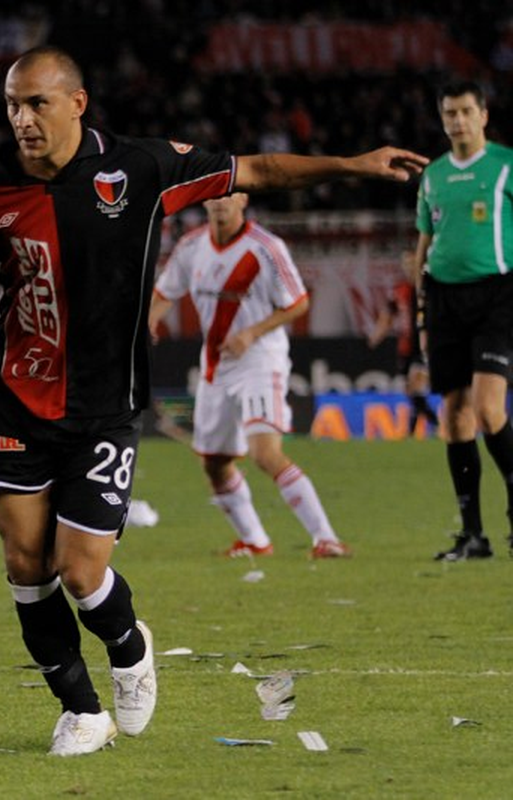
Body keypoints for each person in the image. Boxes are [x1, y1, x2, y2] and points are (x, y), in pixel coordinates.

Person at [0, 46, 424, 756]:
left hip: (103, 407)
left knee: (81, 573)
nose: (22, 119)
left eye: (37, 103)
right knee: (24, 566)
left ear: (77, 102)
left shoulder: (141, 169)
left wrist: (355, 163)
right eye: (12, 105)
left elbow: (261, 170)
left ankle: (128, 649)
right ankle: (81, 712)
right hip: (15, 402)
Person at [149, 193, 351, 559]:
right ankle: (256, 542)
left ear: (243, 199)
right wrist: (147, 324)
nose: (220, 202)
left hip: (260, 360)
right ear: (204, 203)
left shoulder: (266, 248)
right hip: (215, 366)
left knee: (264, 453)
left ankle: (326, 538)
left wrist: (251, 333)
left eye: (229, 194)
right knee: (213, 462)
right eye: (212, 195)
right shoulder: (192, 245)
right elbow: (164, 293)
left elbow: (298, 303)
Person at [414, 80, 513, 561]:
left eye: (466, 112)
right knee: (453, 417)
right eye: (449, 113)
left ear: (483, 115)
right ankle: (473, 535)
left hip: (498, 294)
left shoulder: (506, 166)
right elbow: (423, 243)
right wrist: (419, 306)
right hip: (443, 299)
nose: (457, 121)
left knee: (489, 407)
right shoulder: (432, 175)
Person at [367, 251, 437, 436]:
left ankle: (432, 424)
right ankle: (420, 429)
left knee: (415, 385)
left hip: (423, 346)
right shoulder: (400, 290)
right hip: (406, 347)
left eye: (411, 263)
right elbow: (388, 316)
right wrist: (377, 335)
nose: (408, 267)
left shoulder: (429, 288)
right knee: (410, 391)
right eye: (405, 264)